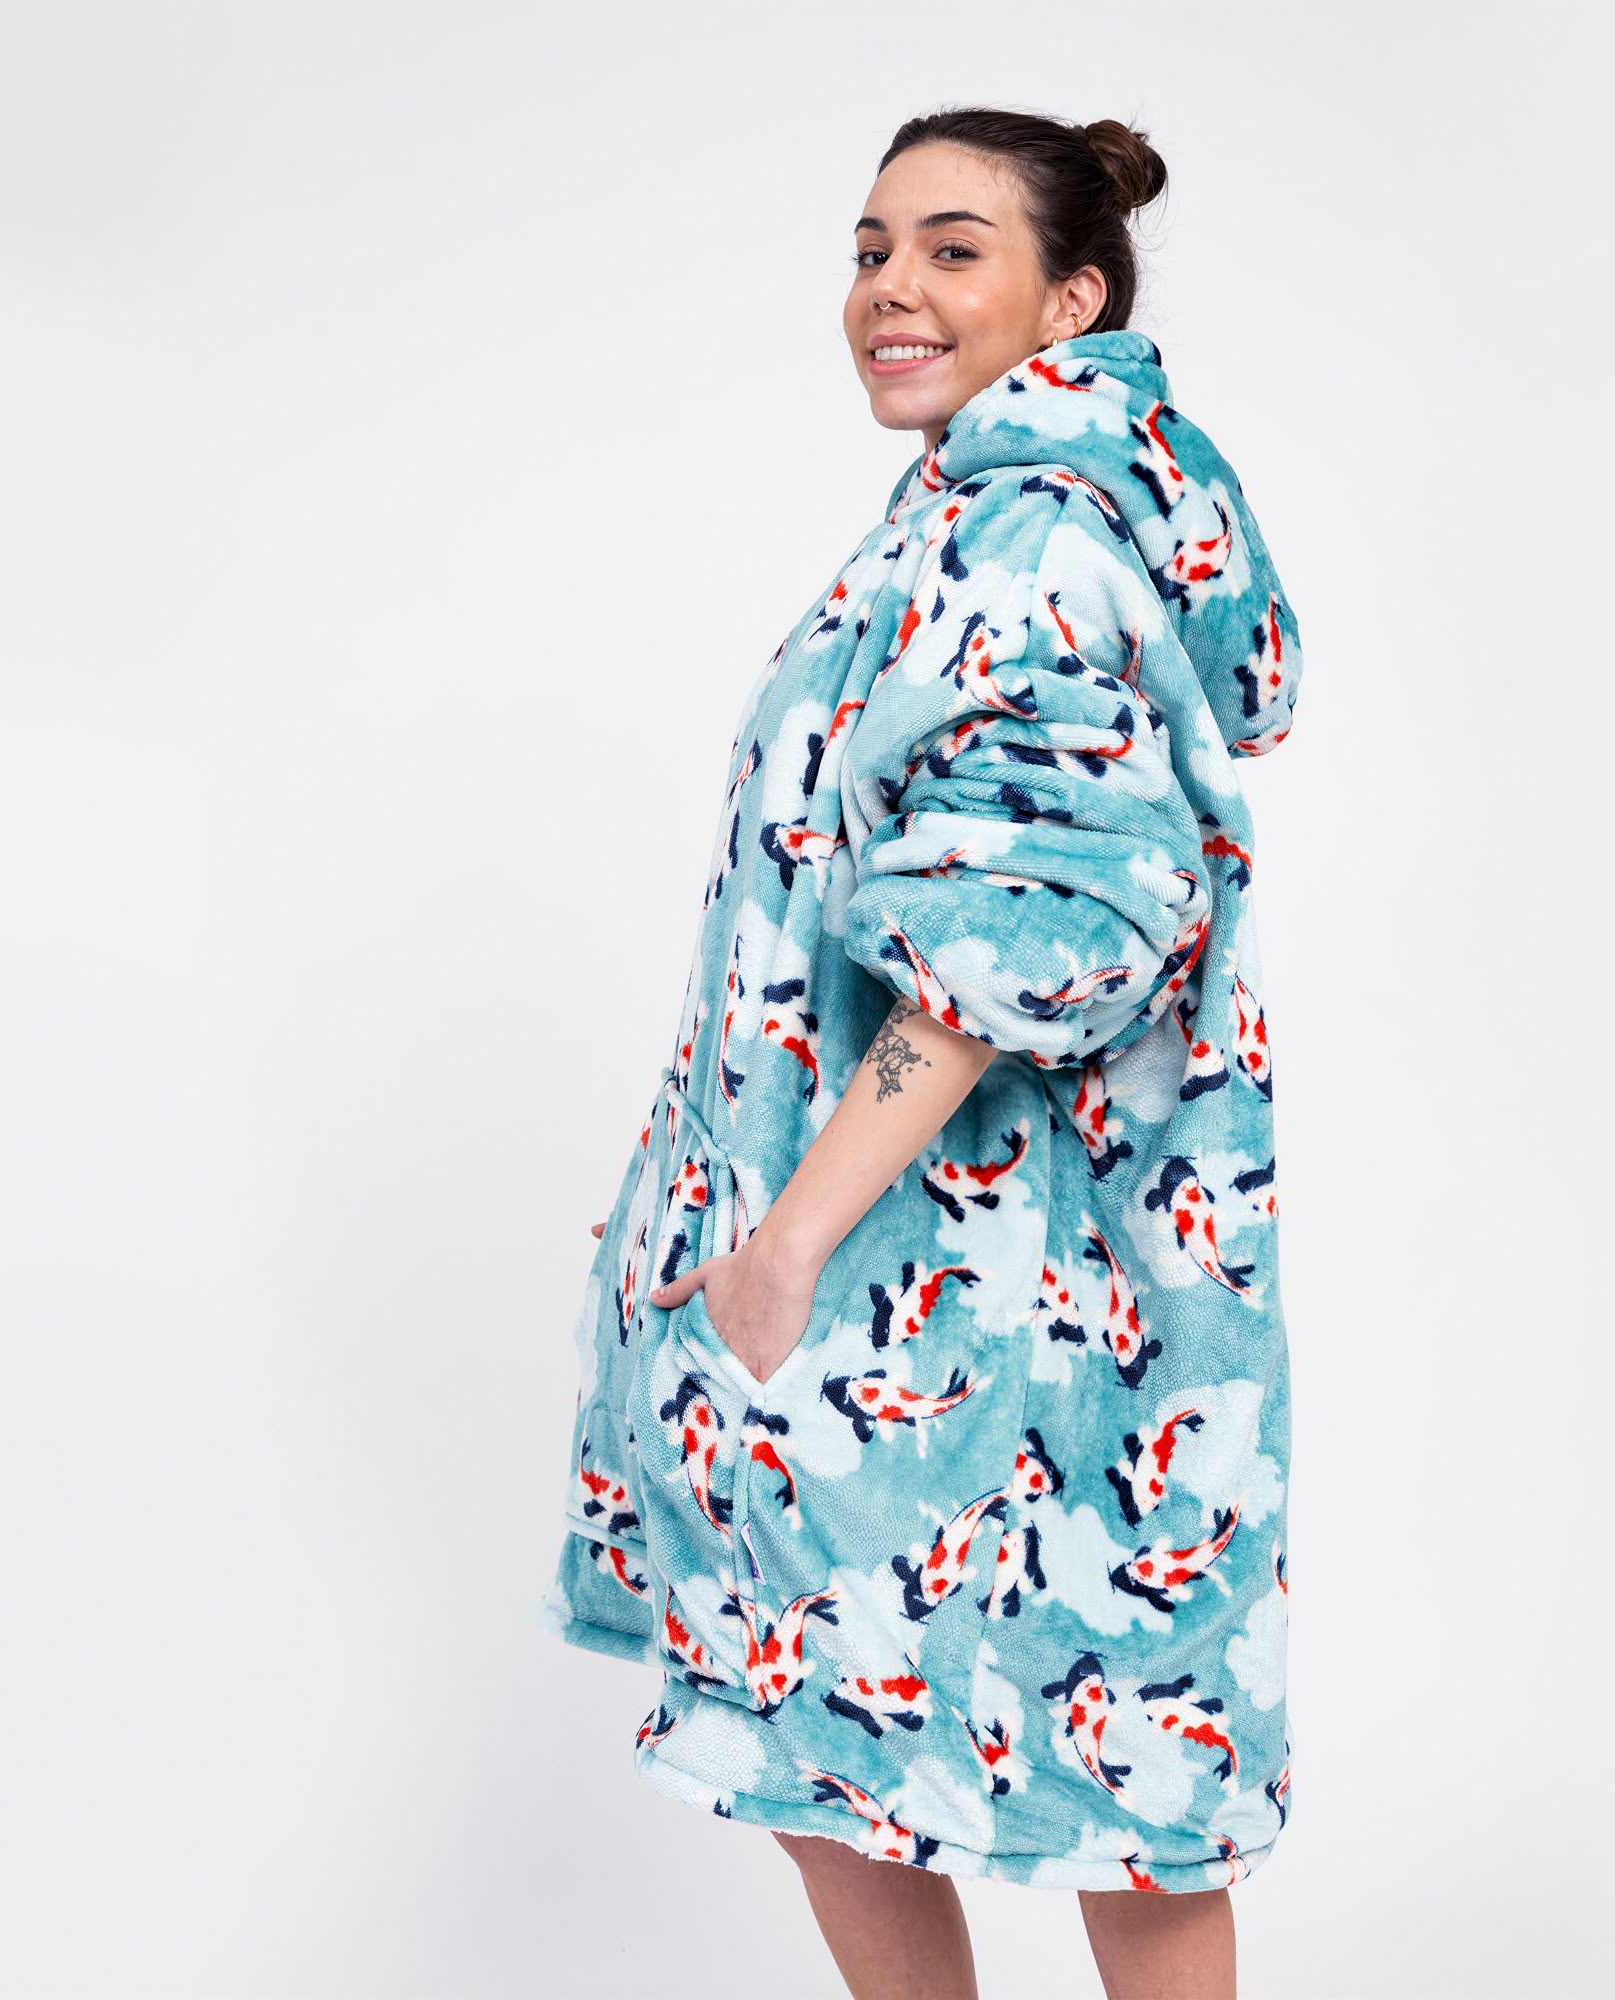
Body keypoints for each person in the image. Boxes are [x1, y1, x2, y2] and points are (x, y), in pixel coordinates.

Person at [537, 105, 1305, 2000]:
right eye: (873, 248)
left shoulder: (1030, 534)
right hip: (903, 1276)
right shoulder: (961, 513)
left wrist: (789, 1239)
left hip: (957, 1281)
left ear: (1075, 296)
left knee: (1124, 1779)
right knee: (835, 1744)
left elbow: (1032, 929)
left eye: (955, 249)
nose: (891, 287)